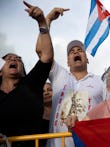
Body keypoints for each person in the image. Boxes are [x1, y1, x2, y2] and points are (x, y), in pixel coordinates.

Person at [36, 8, 107, 147]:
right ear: (68, 61)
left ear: (87, 59)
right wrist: (46, 22)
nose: (76, 52)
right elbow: (42, 52)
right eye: (71, 51)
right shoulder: (59, 75)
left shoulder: (100, 81)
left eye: (80, 50)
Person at [0, 1, 53, 147]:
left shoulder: (31, 85)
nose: (13, 59)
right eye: (8, 58)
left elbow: (47, 57)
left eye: (18, 59)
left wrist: (42, 22)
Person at [40, 82, 53, 146]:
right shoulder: (34, 117)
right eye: (43, 91)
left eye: (50, 90)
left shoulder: (63, 114)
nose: (46, 93)